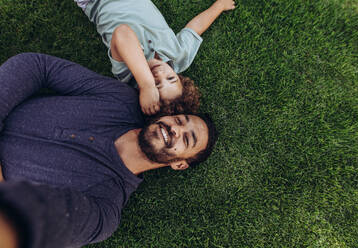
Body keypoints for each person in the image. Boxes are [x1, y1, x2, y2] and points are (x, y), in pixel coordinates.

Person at [0, 53, 218, 248]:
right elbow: (39, 67)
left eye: (187, 139)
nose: (175, 129)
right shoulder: (121, 100)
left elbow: (27, 223)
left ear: (179, 164)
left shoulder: (103, 209)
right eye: (180, 120)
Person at [75, 0, 236, 115]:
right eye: (171, 78)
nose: (160, 75)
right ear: (179, 77)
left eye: (156, 84)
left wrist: (147, 84)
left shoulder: (127, 72)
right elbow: (195, 28)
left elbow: (122, 33)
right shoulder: (179, 56)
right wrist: (219, 6)